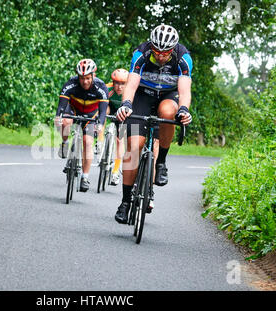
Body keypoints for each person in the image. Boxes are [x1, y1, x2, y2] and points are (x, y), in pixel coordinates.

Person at [114, 24, 193, 224]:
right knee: (134, 147)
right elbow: (131, 83)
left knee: (168, 112)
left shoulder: (183, 57)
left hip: (168, 95)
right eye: (157, 51)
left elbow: (184, 90)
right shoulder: (141, 53)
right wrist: (126, 104)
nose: (160, 56)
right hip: (143, 95)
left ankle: (161, 162)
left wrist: (183, 109)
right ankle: (124, 202)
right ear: (151, 46)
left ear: (173, 49)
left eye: (165, 53)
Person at [55, 59, 109, 192]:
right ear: (77, 77)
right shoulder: (70, 84)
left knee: (88, 141)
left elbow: (103, 112)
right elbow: (61, 106)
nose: (85, 81)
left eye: (88, 78)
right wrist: (58, 118)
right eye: (82, 78)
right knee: (65, 121)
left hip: (91, 114)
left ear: (93, 76)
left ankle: (85, 177)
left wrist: (100, 125)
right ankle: (65, 142)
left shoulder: (101, 87)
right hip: (73, 109)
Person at [100, 68, 129, 186]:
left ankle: (116, 171)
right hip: (110, 109)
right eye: (117, 83)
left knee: (120, 139)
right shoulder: (108, 89)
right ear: (113, 82)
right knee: (103, 111)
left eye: (123, 84)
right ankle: (100, 142)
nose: (119, 87)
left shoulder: (129, 92)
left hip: (122, 114)